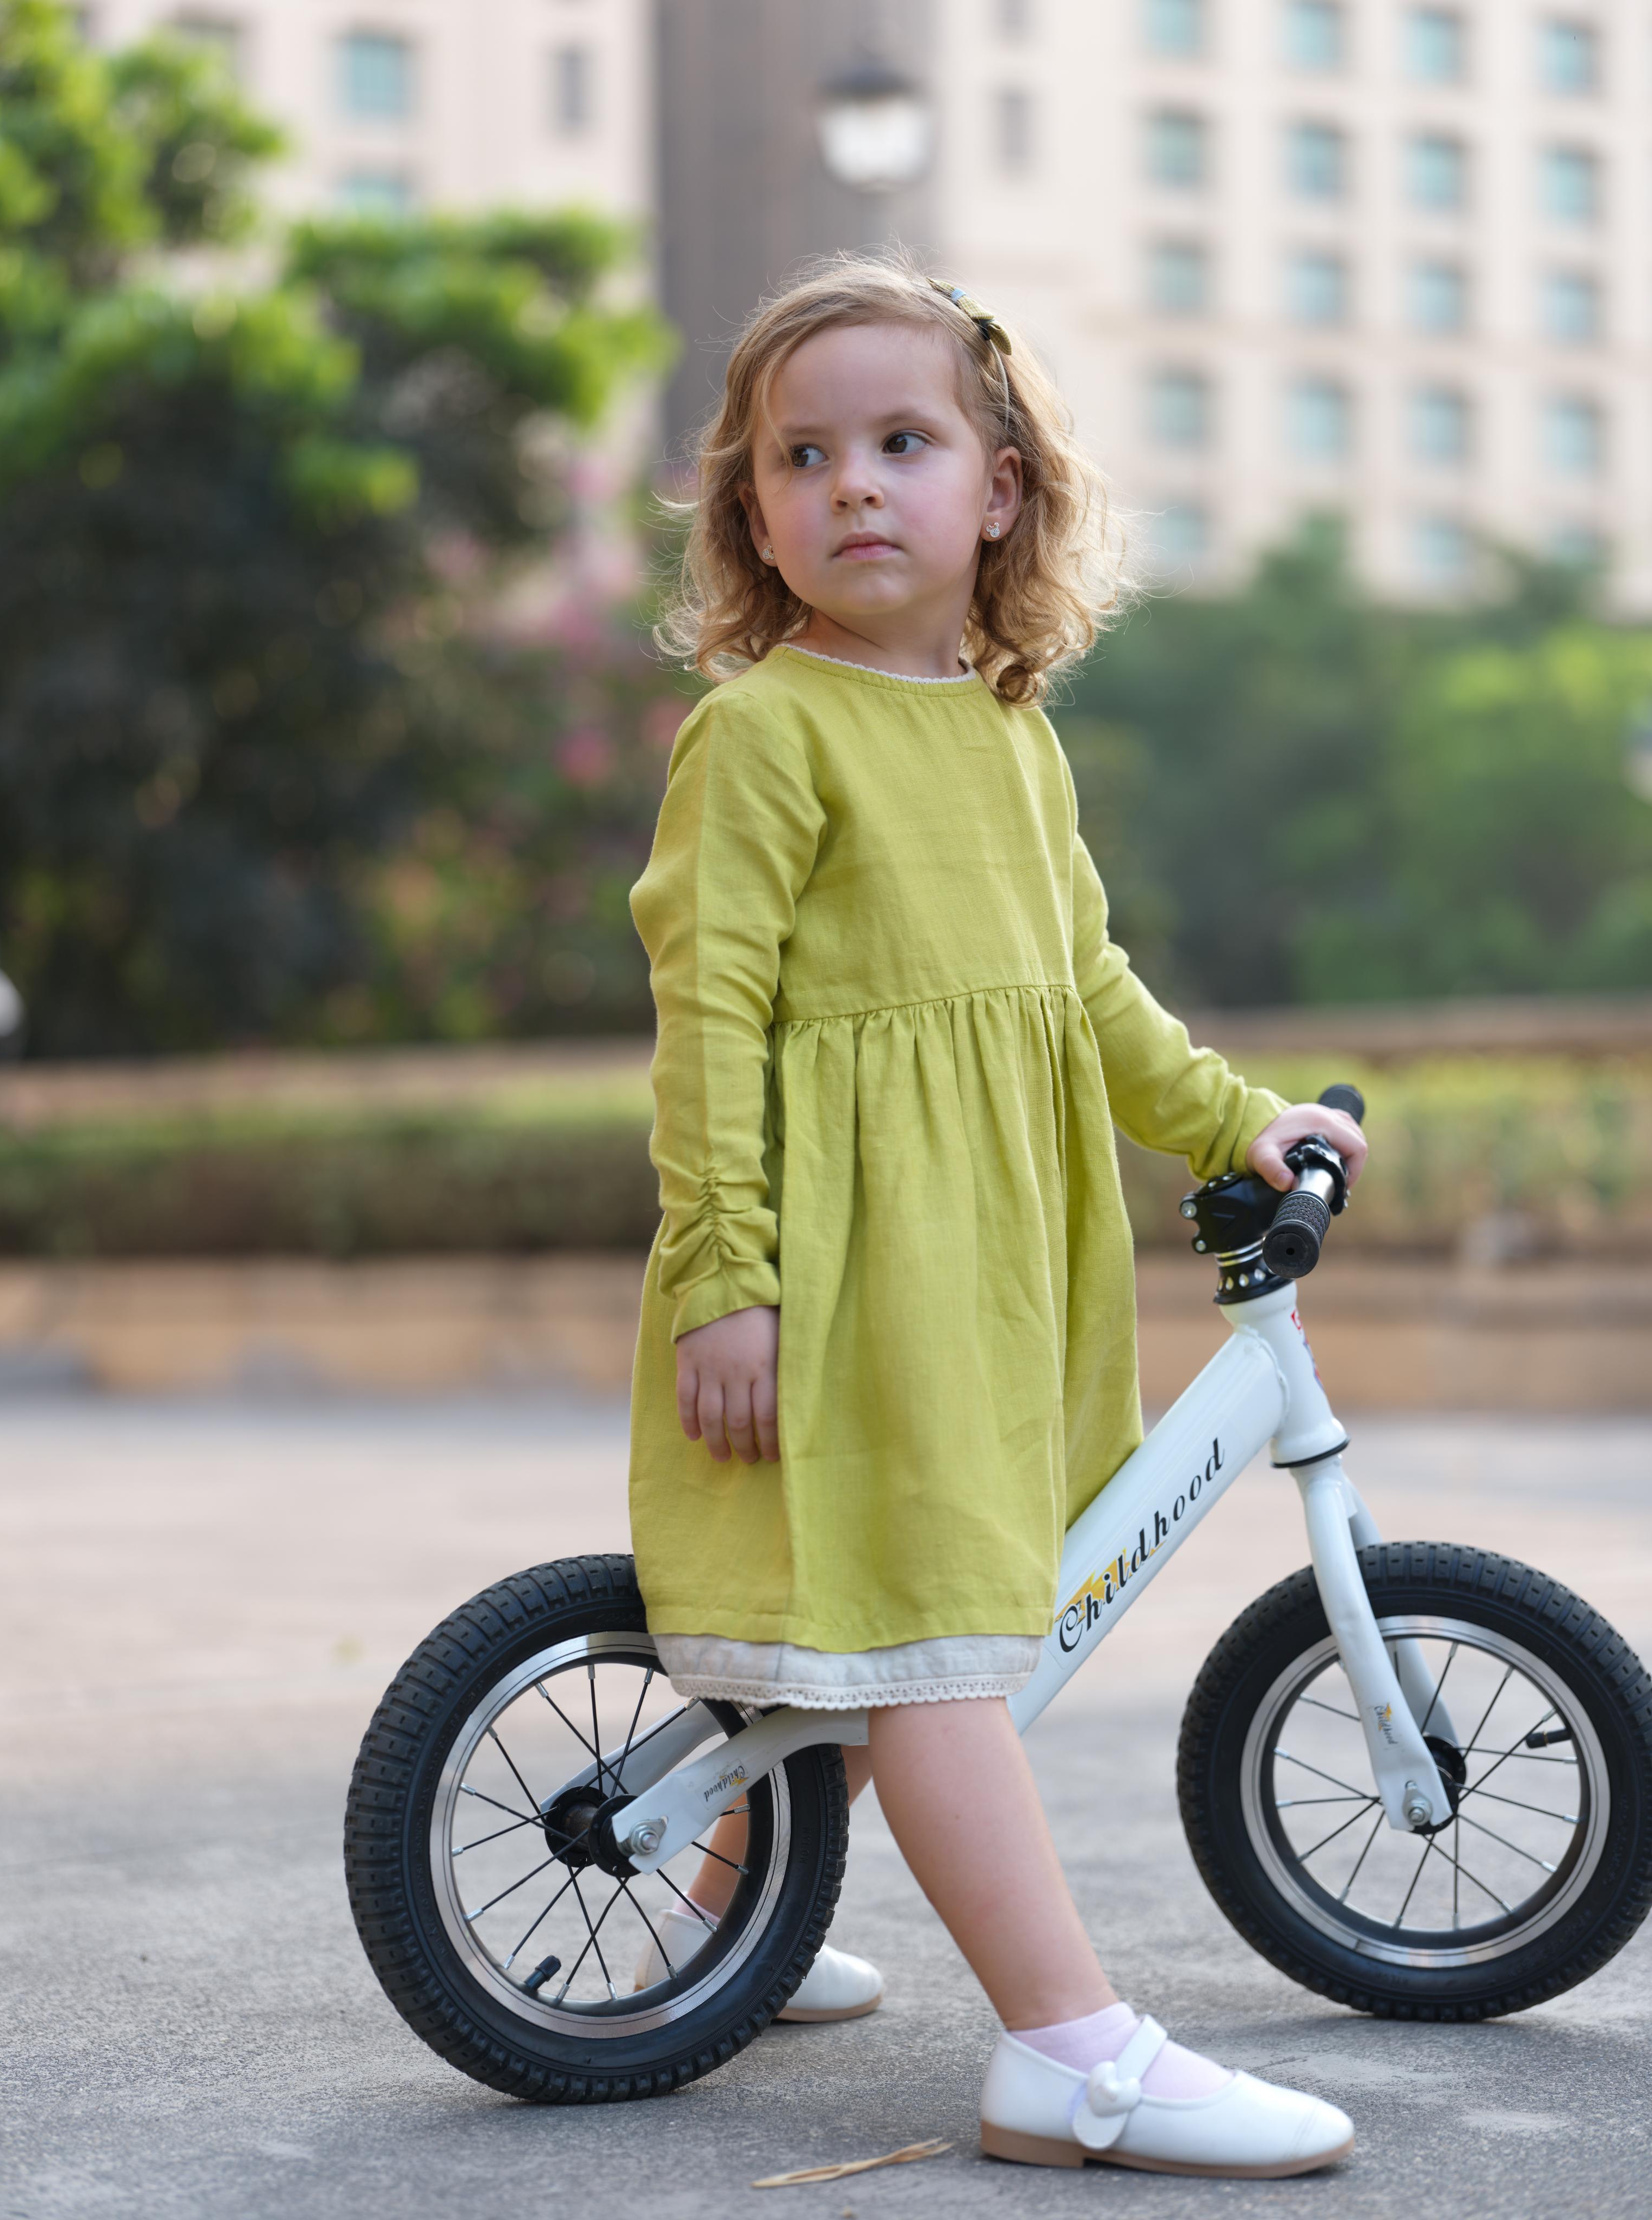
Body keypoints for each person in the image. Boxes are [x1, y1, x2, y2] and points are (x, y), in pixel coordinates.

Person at [623, 251, 1365, 2176]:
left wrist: (1229, 1119)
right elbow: (707, 1016)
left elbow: (1080, 987)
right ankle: (1068, 2052)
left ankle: (723, 1926)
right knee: (933, 1638)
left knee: (889, 1618)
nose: (852, 484)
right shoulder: (766, 732)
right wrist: (725, 1276)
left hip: (991, 1263)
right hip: (857, 1269)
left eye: (902, 442)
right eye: (800, 457)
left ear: (1001, 488)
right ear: (750, 512)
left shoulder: (1007, 734)